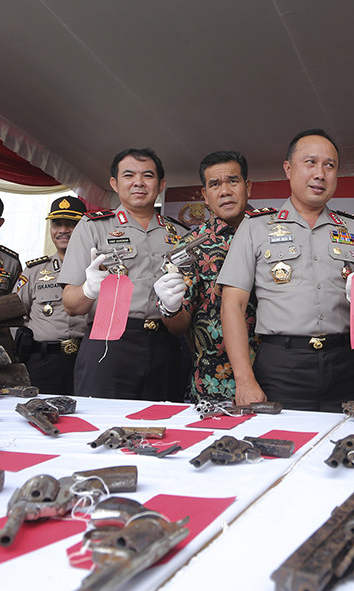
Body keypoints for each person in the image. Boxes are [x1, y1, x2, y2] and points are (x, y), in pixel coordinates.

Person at [218, 129, 354, 412]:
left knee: (348, 445)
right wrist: (244, 379)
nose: (320, 173)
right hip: (282, 366)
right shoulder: (255, 227)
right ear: (288, 169)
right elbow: (232, 305)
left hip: (346, 363)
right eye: (310, 162)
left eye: (329, 165)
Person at [59, 148, 183, 401]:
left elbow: (186, 316)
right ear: (114, 183)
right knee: (101, 425)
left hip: (165, 342)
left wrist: (173, 307)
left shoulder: (180, 233)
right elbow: (71, 305)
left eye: (147, 175)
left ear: (161, 184)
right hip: (108, 341)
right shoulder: (93, 226)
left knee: (161, 427)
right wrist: (88, 290)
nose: (138, 182)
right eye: (129, 175)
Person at [152, 150, 260, 402]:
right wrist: (170, 306)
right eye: (215, 184)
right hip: (216, 383)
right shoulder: (189, 247)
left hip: (281, 371)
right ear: (205, 195)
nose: (224, 191)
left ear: (248, 186)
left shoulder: (272, 232)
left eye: (233, 181)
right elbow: (178, 325)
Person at [14, 196, 89, 395]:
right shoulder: (34, 271)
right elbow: (14, 316)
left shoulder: (99, 269)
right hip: (44, 360)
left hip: (88, 358)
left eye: (71, 224)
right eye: (57, 224)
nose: (63, 230)